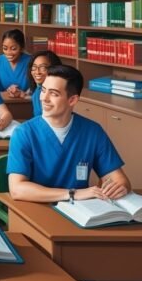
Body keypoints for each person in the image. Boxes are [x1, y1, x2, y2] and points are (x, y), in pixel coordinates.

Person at [8, 65, 131, 202]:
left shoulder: (93, 131)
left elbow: (119, 180)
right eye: (43, 90)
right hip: (35, 207)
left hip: (80, 210)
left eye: (53, 94)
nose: (44, 98)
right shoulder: (24, 133)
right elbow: (17, 189)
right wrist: (72, 194)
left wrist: (120, 187)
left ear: (72, 100)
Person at [0, 29, 31, 98]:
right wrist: (8, 92)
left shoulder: (31, 61)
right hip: (3, 101)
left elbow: (38, 89)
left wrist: (22, 93)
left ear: (21, 48)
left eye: (13, 49)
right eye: (5, 48)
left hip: (26, 101)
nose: (8, 53)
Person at [27, 50, 62, 116]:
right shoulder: (38, 90)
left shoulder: (57, 92)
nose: (37, 72)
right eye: (34, 67)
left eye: (43, 68)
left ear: (54, 69)